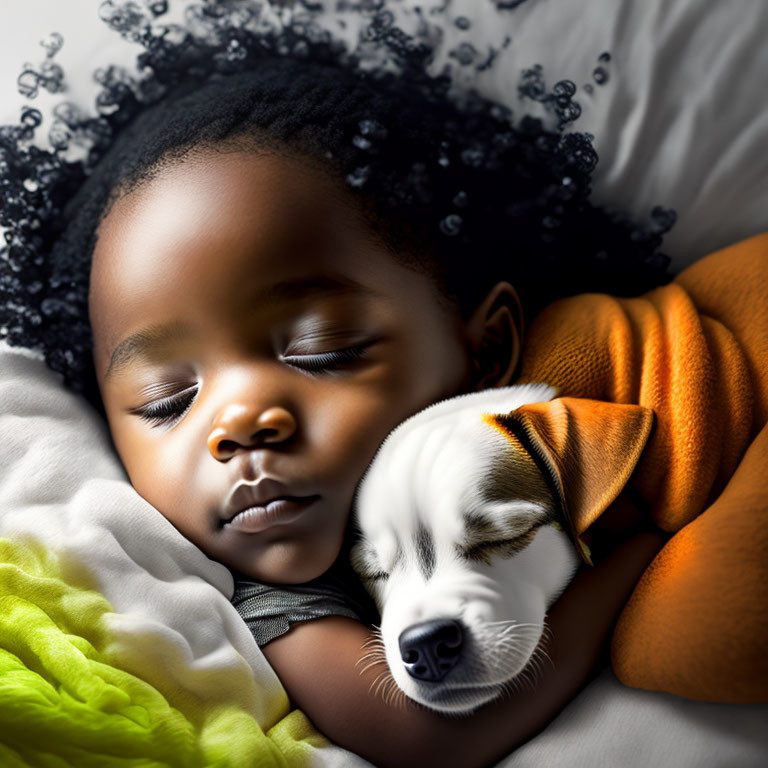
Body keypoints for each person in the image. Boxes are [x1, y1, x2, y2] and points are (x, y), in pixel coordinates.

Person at [5, 50, 668, 768]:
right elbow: (430, 736)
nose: (239, 422)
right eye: (168, 401)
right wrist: (647, 552)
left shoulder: (543, 438)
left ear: (484, 350)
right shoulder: (280, 598)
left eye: (322, 348)